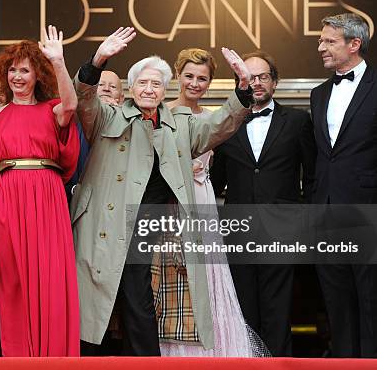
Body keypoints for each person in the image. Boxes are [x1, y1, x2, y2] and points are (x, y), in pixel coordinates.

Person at [71, 27, 255, 356]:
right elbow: (84, 99)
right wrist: (98, 60)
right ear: (131, 86)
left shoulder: (180, 123)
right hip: (104, 224)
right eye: (142, 81)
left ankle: (145, 362)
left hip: (148, 225)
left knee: (136, 293)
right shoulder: (109, 116)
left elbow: (219, 126)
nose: (149, 88)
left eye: (156, 83)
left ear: (164, 89)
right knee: (96, 296)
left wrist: (242, 89)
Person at [0, 26, 80, 356]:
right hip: (5, 201)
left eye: (25, 70)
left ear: (37, 74)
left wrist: (59, 61)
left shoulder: (53, 109)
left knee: (51, 283)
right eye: (12, 70)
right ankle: (20, 358)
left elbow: (72, 104)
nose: (17, 76)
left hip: (47, 198)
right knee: (13, 285)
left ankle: (54, 359)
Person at [147, 48, 256, 357]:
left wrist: (243, 84)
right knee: (174, 280)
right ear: (177, 75)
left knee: (208, 276)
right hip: (171, 203)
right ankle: (175, 351)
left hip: (202, 201)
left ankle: (216, 349)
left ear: (210, 82)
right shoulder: (160, 112)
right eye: (189, 76)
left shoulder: (213, 117)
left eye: (203, 78)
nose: (195, 83)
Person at [210, 50, 316, 356]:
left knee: (278, 312)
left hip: (281, 231)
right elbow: (214, 182)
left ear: (275, 81)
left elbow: (310, 179)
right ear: (240, 82)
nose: (256, 83)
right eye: (249, 77)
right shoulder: (225, 122)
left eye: (263, 76)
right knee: (242, 312)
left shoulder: (298, 121)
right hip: (237, 231)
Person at [310, 13, 377, 358]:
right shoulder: (318, 94)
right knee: (335, 298)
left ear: (354, 44)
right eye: (321, 40)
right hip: (325, 211)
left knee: (371, 297)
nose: (320, 47)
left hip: (367, 211)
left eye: (329, 41)